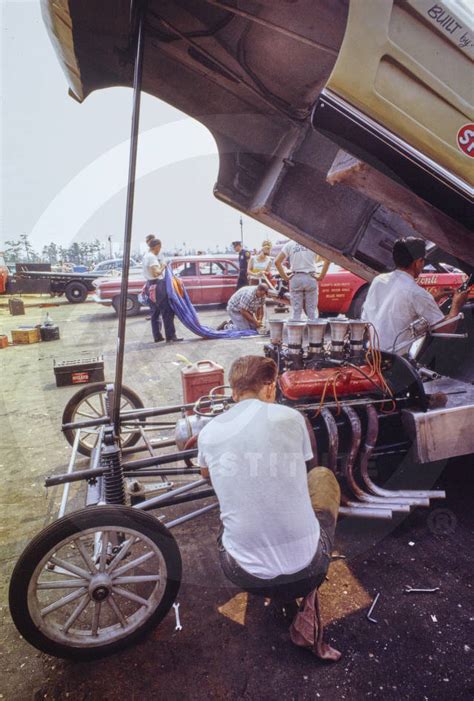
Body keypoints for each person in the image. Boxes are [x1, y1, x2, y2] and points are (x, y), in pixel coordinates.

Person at [197, 355, 341, 659]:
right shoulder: (292, 419)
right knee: (323, 478)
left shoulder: (209, 432)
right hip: (307, 571)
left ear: (234, 392)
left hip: (242, 573)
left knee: (229, 504)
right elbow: (308, 467)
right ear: (269, 387)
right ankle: (308, 613)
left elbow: (208, 476)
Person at [362, 237, 468, 354]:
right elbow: (446, 331)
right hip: (392, 360)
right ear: (417, 262)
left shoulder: (379, 280)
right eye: (423, 261)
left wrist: (432, 298)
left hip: (369, 352)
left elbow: (398, 306)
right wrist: (456, 305)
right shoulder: (417, 293)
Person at [275, 242, 329, 320]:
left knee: (296, 312)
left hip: (296, 278)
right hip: (310, 277)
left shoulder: (289, 245)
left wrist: (285, 277)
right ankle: (313, 331)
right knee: (312, 311)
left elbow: (277, 262)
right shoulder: (313, 244)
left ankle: (296, 331)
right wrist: (321, 276)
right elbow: (327, 260)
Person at [142, 238, 183, 343]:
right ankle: (171, 337)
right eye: (160, 247)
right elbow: (156, 273)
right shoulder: (151, 257)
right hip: (157, 286)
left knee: (155, 313)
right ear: (157, 246)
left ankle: (157, 336)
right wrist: (164, 265)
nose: (160, 249)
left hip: (149, 286)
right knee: (167, 312)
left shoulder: (146, 256)